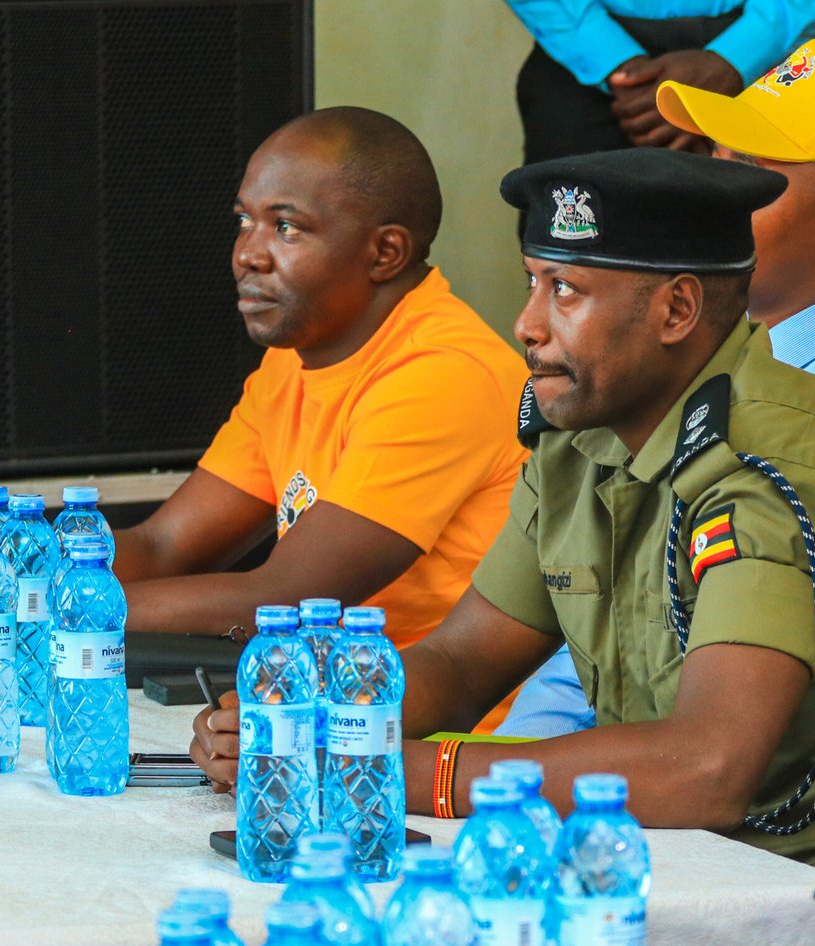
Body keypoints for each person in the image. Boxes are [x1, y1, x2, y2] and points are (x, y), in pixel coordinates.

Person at [191, 147, 815, 894]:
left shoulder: (760, 468)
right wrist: (310, 722)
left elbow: (707, 768)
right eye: (534, 282)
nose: (527, 324)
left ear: (677, 309)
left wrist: (405, 770)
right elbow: (463, 662)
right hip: (691, 866)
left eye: (564, 290)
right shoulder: (580, 438)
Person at [498, 38, 815, 738]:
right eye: (712, 157)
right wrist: (507, 767)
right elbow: (600, 637)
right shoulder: (682, 358)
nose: (709, 191)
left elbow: (760, 714)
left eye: (745, 170)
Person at [113, 107, 527, 648]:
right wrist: (26, 575)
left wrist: (60, 606)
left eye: (286, 228)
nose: (248, 254)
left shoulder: (442, 374)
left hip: (435, 699)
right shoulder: (298, 354)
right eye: (244, 221)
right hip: (336, 682)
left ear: (385, 253)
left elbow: (286, 598)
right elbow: (164, 546)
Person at [506, 0, 815, 164]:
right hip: (581, 58)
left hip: (769, 55)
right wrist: (614, 61)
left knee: (769, 251)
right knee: (571, 251)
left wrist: (739, 56)